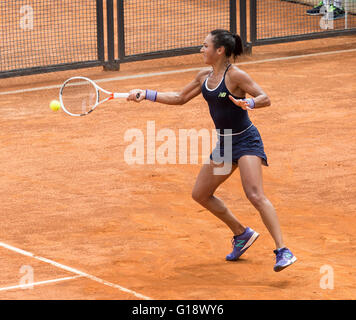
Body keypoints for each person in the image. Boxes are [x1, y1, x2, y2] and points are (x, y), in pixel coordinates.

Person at [127, 29, 297, 272]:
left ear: (220, 50)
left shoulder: (236, 76)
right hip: (225, 144)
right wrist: (146, 94)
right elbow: (179, 97)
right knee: (201, 194)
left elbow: (264, 98)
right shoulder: (204, 75)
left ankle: (283, 250)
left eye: (205, 45)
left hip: (246, 141)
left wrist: (248, 102)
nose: (201, 49)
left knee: (255, 195)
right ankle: (241, 233)